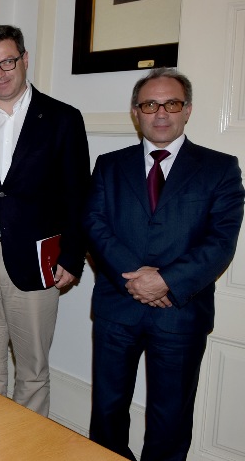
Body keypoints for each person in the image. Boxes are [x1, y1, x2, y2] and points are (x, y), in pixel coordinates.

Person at [85, 68, 244, 461]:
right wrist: (136, 280)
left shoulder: (220, 168)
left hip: (180, 313)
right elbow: (94, 226)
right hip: (116, 309)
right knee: (106, 412)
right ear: (135, 112)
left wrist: (167, 281)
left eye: (171, 104)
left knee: (169, 420)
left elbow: (220, 242)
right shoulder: (109, 165)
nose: (160, 113)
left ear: (187, 110)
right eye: (149, 104)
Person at [0, 25, 90, 416]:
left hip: (38, 261)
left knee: (32, 371)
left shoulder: (63, 118)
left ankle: (28, 445)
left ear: (24, 59)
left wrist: (72, 257)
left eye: (7, 62)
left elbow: (79, 194)